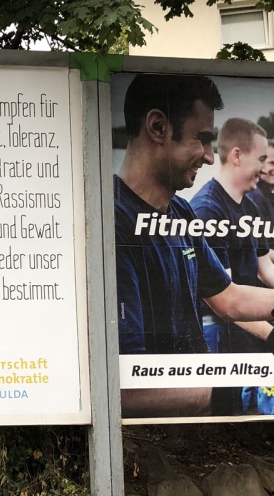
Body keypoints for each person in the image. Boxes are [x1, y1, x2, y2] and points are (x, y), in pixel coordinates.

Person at [115, 73, 274, 418]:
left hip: (198, 423)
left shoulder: (181, 211)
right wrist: (239, 392)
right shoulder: (111, 221)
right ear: (157, 127)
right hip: (157, 440)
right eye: (201, 139)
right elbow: (124, 389)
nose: (208, 157)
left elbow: (228, 298)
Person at [190, 119, 274, 412]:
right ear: (237, 155)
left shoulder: (250, 205)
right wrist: (270, 334)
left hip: (249, 328)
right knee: (229, 416)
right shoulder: (207, 210)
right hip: (219, 334)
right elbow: (223, 302)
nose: (264, 169)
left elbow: (265, 269)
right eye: (261, 159)